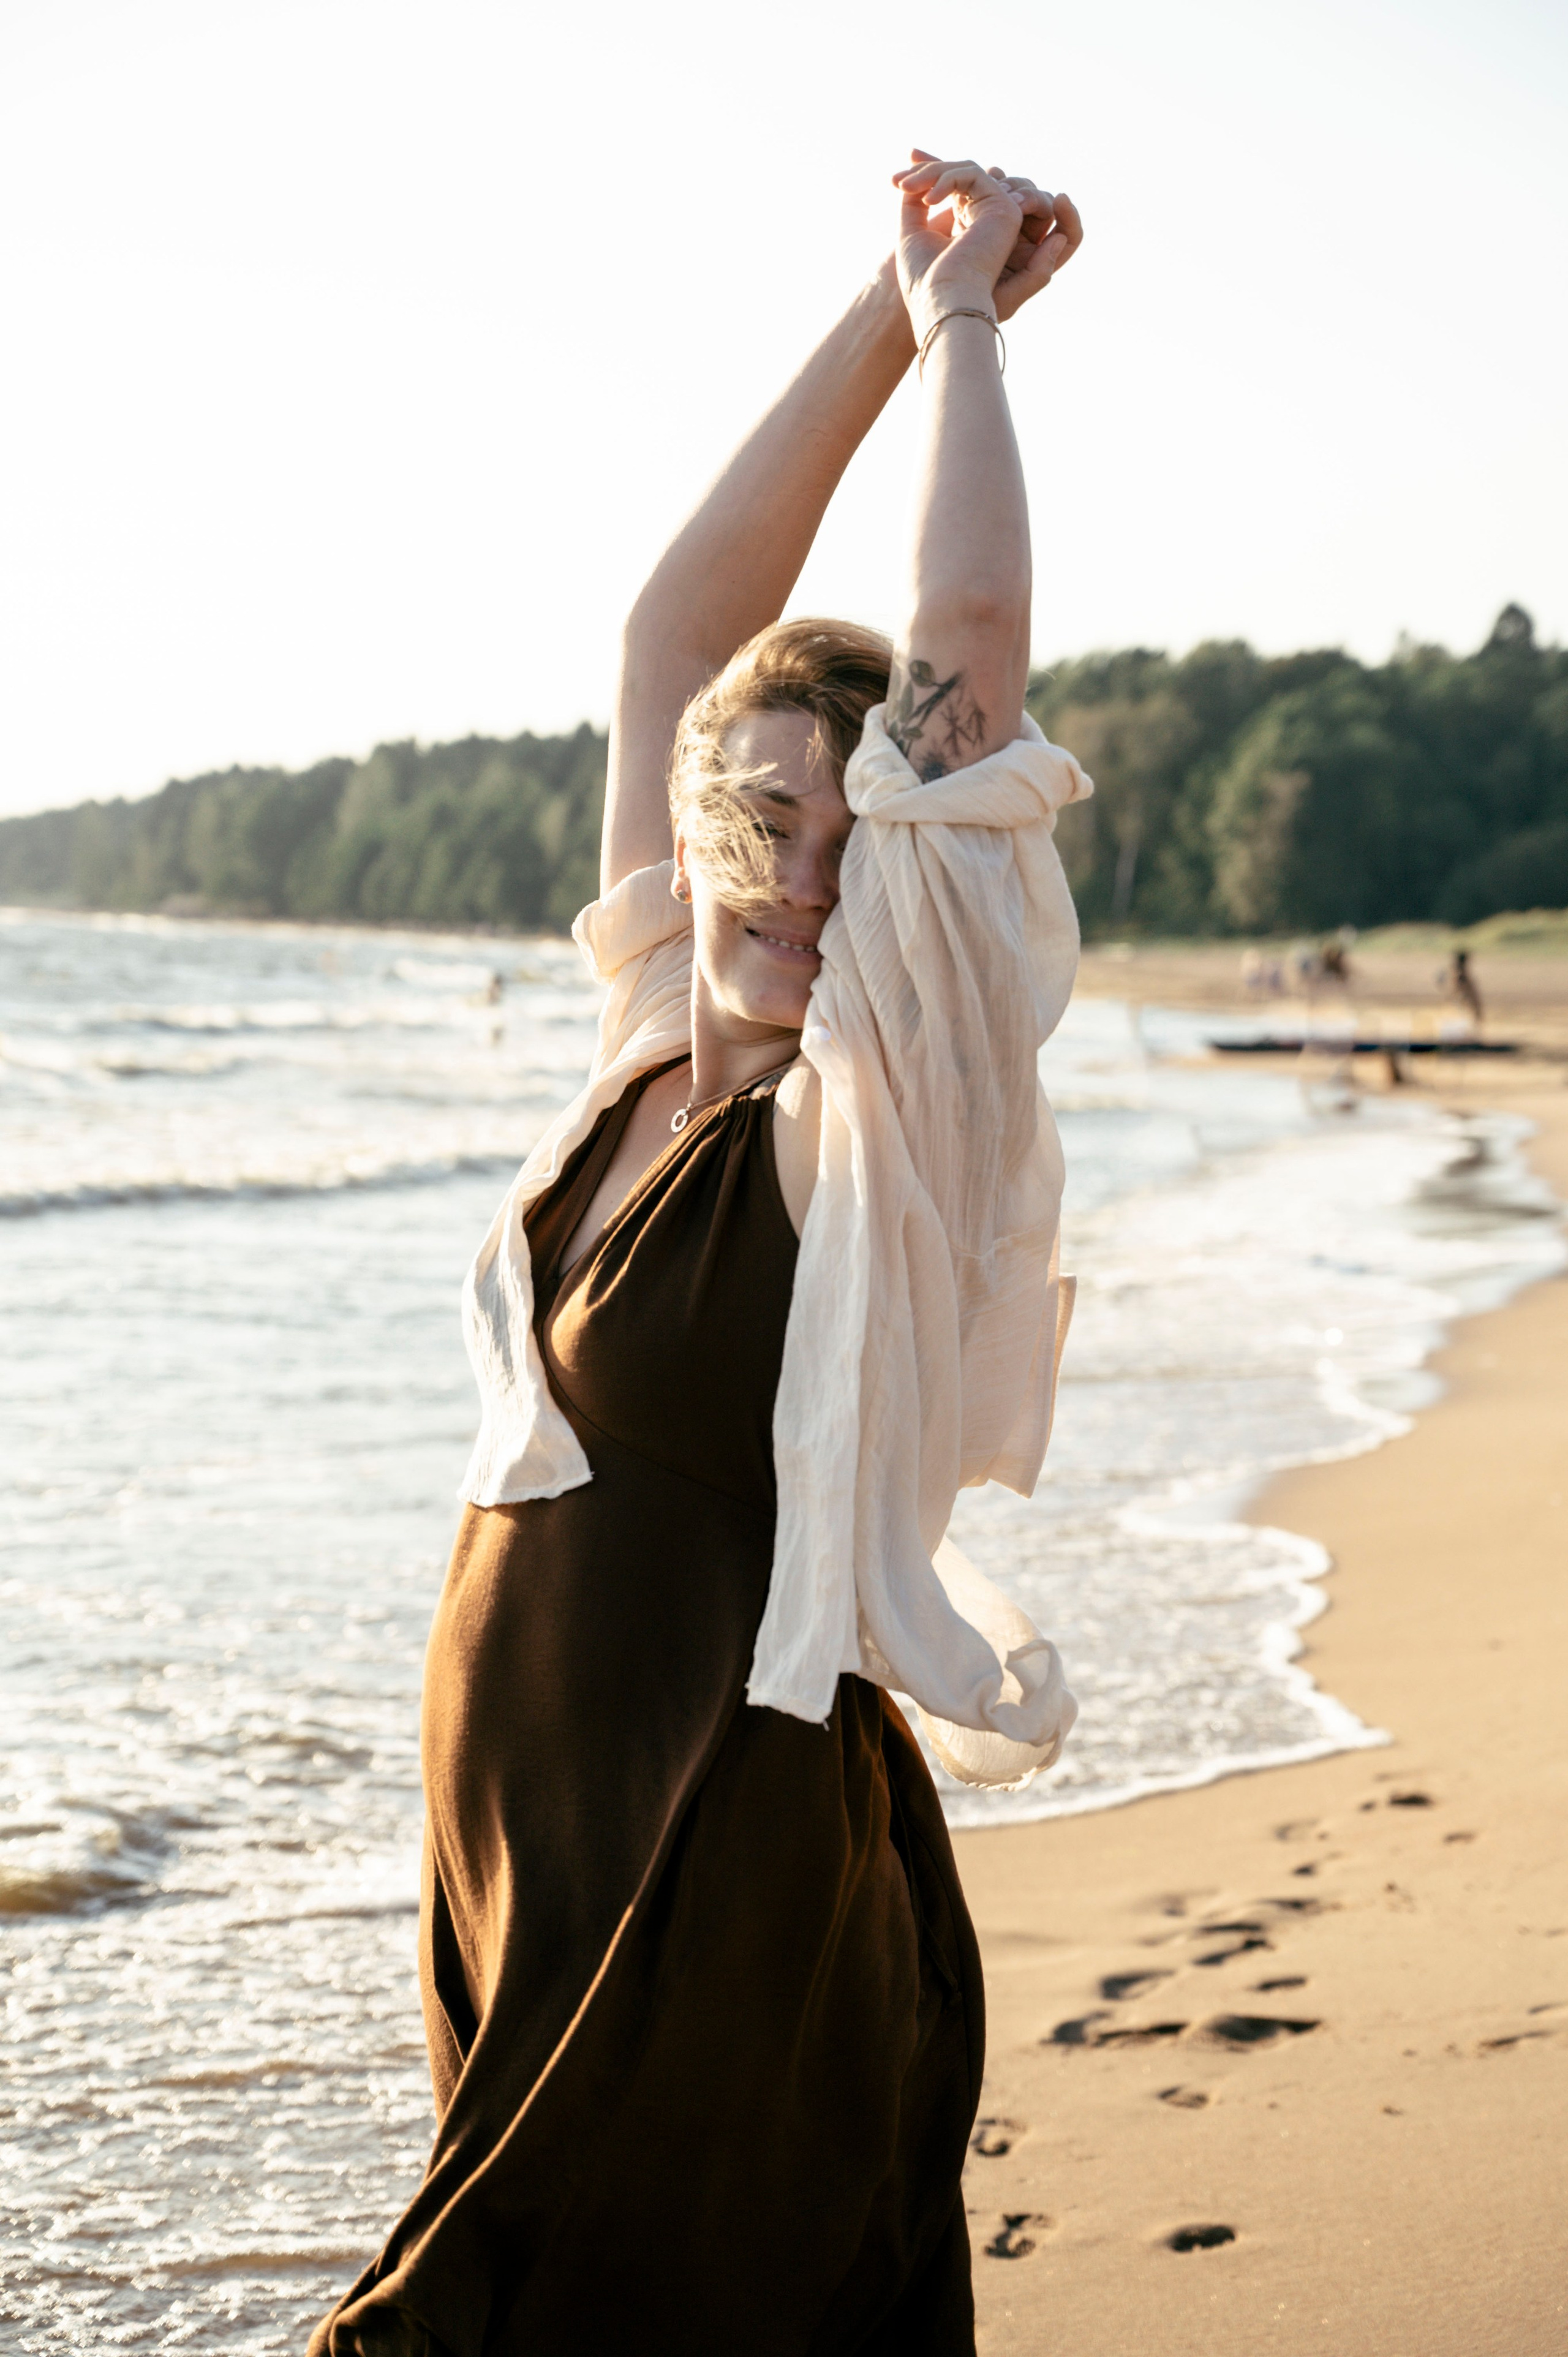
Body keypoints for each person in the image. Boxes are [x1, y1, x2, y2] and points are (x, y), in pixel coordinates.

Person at [309, 151, 1087, 2357]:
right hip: (533, 1856)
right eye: (754, 817)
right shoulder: (657, 1032)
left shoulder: (878, 1104)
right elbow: (675, 633)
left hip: (702, 1863)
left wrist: (966, 339)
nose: (792, 872)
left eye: (854, 832)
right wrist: (877, 287)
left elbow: (971, 657)